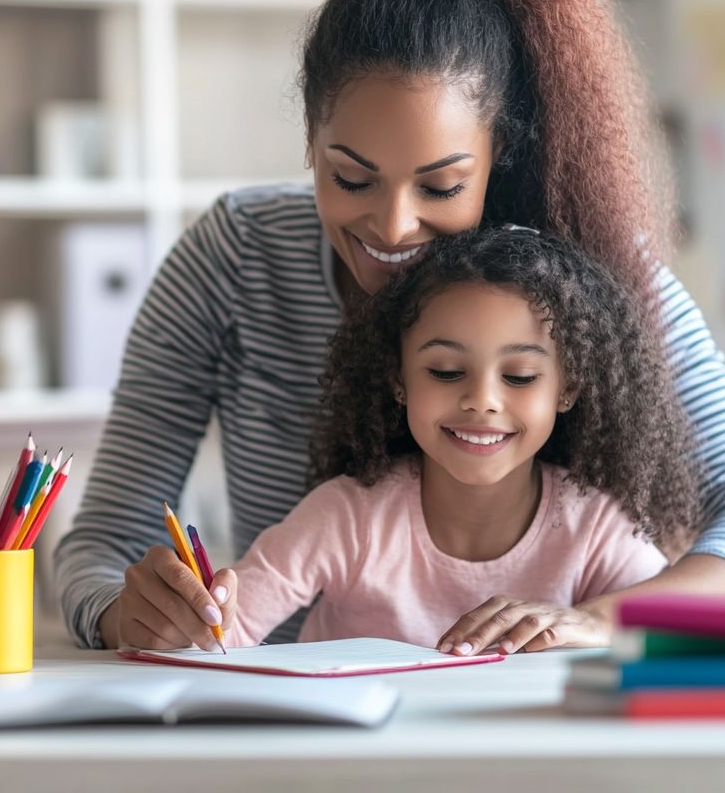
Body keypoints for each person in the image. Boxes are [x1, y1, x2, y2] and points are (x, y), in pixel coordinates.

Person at [55, 0, 725, 653]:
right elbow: (98, 548)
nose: (392, 226)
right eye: (351, 178)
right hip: (294, 716)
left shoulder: (580, 273)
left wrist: (604, 617)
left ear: (498, 155)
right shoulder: (234, 257)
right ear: (312, 139)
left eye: (441, 188)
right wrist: (128, 610)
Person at [202, 226, 699, 653]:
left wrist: (604, 626)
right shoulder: (346, 519)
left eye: (521, 376)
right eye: (445, 371)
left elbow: (681, 636)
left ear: (567, 388)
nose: (482, 400)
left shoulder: (592, 526)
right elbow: (217, 638)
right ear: (399, 378)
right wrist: (190, 612)